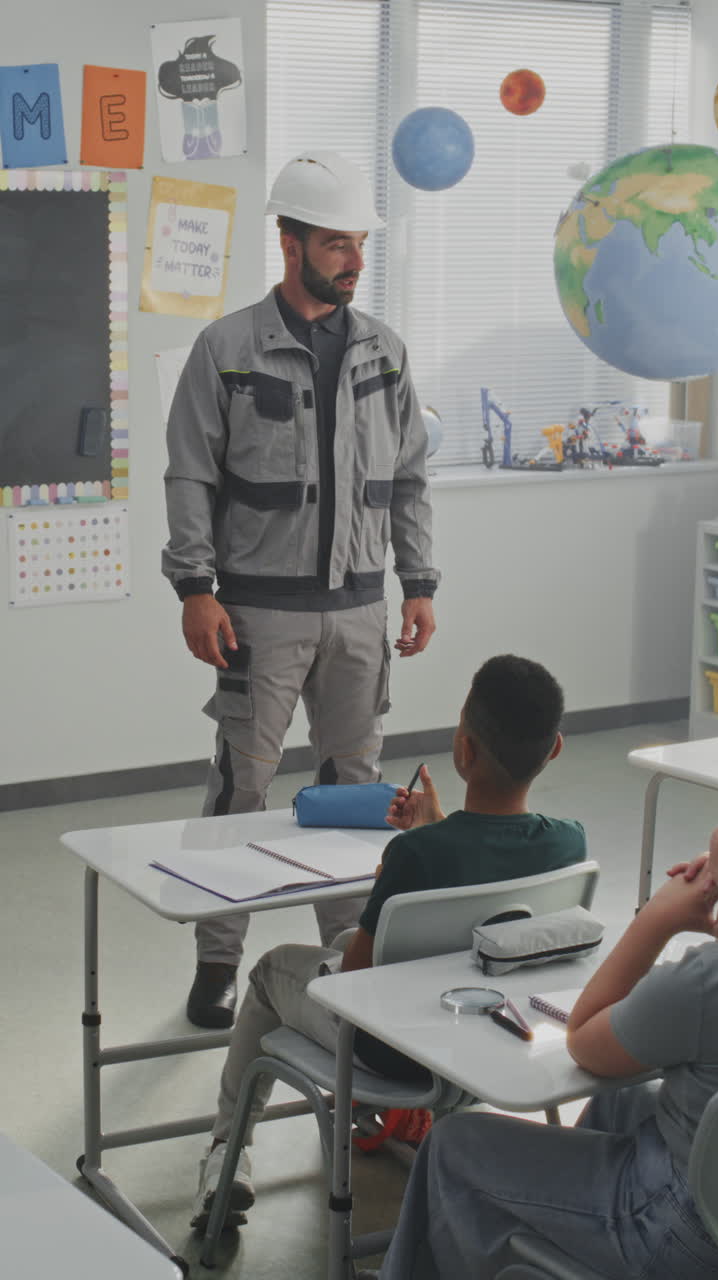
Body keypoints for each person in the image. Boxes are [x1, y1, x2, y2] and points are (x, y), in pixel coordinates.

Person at [162, 150, 439, 1029]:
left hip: (359, 612)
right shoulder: (228, 349)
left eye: (359, 241)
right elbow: (189, 476)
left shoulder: (385, 354)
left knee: (358, 789)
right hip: (261, 614)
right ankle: (216, 961)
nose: (352, 258)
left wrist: (419, 582)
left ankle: (345, 959)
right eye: (335, 242)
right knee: (242, 790)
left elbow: (411, 476)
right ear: (289, 244)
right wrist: (194, 588)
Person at [189, 654, 587, 1233]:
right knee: (354, 933)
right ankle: (372, 1123)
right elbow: (483, 896)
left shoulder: (415, 856)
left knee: (273, 969)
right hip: (496, 1035)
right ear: (554, 749)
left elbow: (354, 983)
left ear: (463, 748)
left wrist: (395, 868)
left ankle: (227, 1151)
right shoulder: (568, 845)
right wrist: (434, 832)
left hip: (394, 1049)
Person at [364, 838, 718, 1280]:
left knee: (453, 1146)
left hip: (682, 1233)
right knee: (626, 1098)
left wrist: (656, 920)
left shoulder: (705, 981)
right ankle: (553, 1233)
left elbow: (585, 1041)